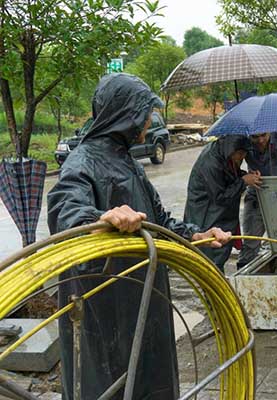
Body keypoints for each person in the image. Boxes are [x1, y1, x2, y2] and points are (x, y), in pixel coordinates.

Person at [47, 73, 231, 400]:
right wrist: (100, 217)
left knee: (151, 377)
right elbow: (65, 208)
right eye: (145, 114)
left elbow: (159, 221)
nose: (149, 122)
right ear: (125, 115)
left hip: (145, 295)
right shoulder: (82, 162)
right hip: (104, 302)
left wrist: (199, 235)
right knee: (110, 382)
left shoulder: (130, 163)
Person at [184, 135, 261, 271]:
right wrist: (243, 181)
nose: (241, 158)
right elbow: (220, 196)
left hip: (220, 214)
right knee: (212, 257)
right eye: (240, 154)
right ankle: (213, 288)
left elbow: (229, 175)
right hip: (207, 213)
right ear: (231, 149)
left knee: (220, 251)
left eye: (244, 154)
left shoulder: (224, 153)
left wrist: (245, 175)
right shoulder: (210, 162)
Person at [237, 132, 277, 269]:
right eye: (255, 137)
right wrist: (246, 176)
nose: (260, 140)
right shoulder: (243, 141)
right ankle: (243, 281)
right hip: (256, 192)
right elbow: (233, 165)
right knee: (250, 241)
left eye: (264, 135)